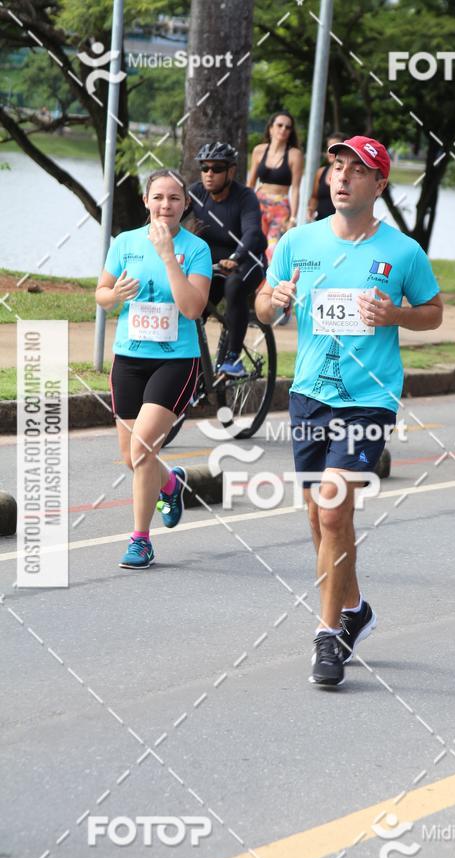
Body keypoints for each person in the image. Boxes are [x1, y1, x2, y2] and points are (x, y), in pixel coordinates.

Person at [256, 136, 443, 687]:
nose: (341, 177)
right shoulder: (298, 241)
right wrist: (276, 303)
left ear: (379, 184)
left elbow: (433, 313)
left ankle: (327, 636)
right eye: (336, 168)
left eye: (356, 171)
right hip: (310, 393)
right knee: (319, 518)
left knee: (334, 509)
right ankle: (354, 609)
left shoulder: (403, 252)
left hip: (369, 397)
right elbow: (264, 305)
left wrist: (396, 314)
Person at [95, 169, 211, 568]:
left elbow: (193, 308)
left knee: (143, 448)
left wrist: (167, 257)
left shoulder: (196, 249)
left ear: (185, 204)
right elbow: (102, 293)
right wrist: (115, 294)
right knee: (132, 457)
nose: (166, 205)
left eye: (174, 198)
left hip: (175, 360)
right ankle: (171, 482)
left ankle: (140, 540)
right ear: (146, 201)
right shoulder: (125, 243)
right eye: (158, 197)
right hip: (129, 358)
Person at [187, 142, 268, 377]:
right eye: (205, 168)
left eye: (217, 168)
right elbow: (170, 216)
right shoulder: (196, 193)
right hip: (213, 263)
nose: (209, 174)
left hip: (247, 258)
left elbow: (252, 232)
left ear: (231, 171)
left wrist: (236, 257)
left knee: (234, 288)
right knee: (194, 306)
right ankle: (194, 371)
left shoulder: (245, 197)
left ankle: (233, 359)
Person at [247, 111, 304, 261]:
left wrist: (293, 218)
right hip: (258, 204)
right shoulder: (259, 150)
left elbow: (296, 188)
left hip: (280, 207)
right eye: (279, 125)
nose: (283, 129)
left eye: (288, 127)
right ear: (271, 128)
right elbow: (250, 183)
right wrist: (244, 207)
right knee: (253, 245)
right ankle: (254, 283)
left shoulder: (295, 155)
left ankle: (271, 283)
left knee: (273, 250)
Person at [308, 132, 346, 221]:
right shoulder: (321, 172)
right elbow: (314, 197)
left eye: (333, 148)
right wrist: (310, 209)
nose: (329, 152)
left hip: (343, 226)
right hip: (320, 223)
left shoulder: (350, 174)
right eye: (328, 147)